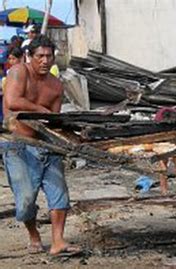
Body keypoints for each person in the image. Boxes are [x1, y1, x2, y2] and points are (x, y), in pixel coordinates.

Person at [2, 35, 81, 256]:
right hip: (18, 144)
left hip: (46, 145)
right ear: (30, 56)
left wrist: (71, 136)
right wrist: (43, 111)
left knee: (59, 194)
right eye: (40, 56)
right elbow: (13, 102)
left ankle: (58, 241)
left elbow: (53, 120)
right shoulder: (19, 72)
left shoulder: (56, 85)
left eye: (49, 56)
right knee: (26, 201)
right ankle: (34, 235)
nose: (45, 61)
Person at [154, 107, 176, 198]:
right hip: (162, 136)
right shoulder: (158, 118)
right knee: (163, 161)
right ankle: (164, 191)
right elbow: (154, 132)